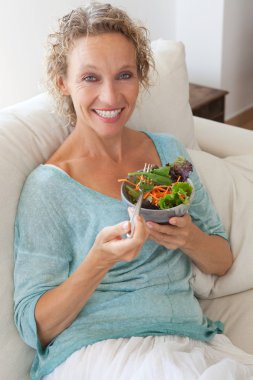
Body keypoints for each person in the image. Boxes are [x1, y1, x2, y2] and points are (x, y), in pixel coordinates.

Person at [13, 3, 253, 380]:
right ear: (63, 82)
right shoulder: (49, 187)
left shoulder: (169, 155)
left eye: (124, 74)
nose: (111, 97)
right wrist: (98, 261)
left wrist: (188, 237)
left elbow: (221, 260)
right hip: (96, 351)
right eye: (90, 78)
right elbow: (35, 326)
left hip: (186, 341)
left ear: (140, 76)